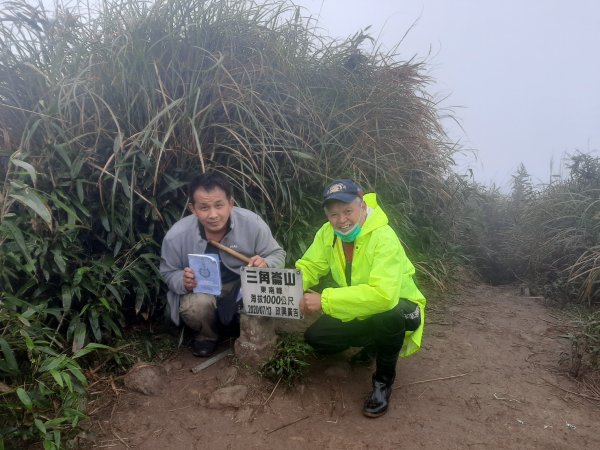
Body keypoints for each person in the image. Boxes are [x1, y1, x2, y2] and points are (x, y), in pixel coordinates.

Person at [296, 179, 426, 418]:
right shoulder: (327, 234)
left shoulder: (384, 237)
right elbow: (310, 266)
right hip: (361, 307)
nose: (341, 220)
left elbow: (383, 296)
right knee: (316, 338)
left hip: (403, 309)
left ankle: (383, 383)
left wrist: (324, 300)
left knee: (388, 316)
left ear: (363, 208)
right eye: (333, 214)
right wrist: (288, 289)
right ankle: (375, 342)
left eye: (348, 211)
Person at [160, 172, 286, 357]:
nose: (213, 215)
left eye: (219, 205)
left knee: (257, 293)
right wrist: (182, 280)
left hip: (240, 286)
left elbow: (277, 254)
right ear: (193, 209)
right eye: (204, 207)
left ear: (231, 203)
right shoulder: (176, 235)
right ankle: (207, 336)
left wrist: (266, 263)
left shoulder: (252, 223)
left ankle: (246, 331)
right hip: (203, 291)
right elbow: (168, 271)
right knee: (196, 307)